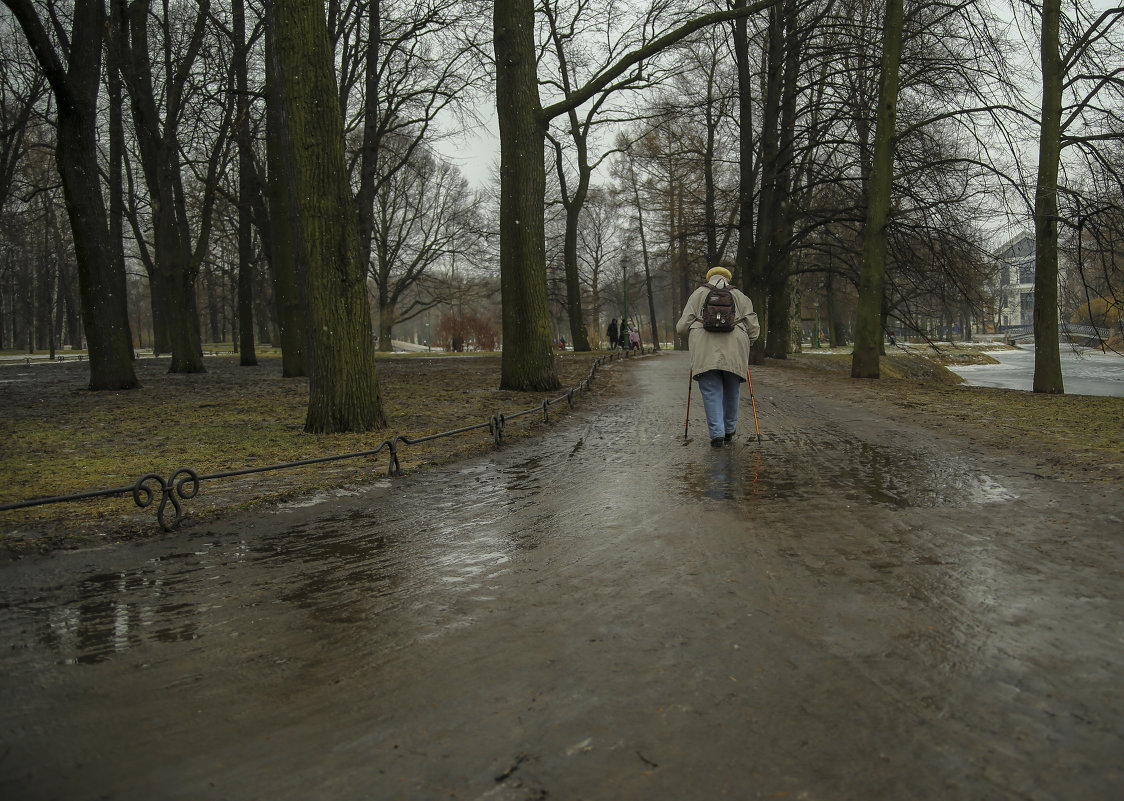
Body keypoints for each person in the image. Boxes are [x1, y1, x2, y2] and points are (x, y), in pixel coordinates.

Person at [676, 265, 760, 447]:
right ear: (727, 278)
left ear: (709, 278)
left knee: (711, 391)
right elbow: (753, 327)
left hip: (705, 348)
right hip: (735, 347)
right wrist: (748, 343)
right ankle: (729, 430)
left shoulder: (698, 294)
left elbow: (682, 327)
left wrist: (690, 338)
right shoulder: (739, 296)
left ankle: (717, 434)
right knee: (732, 389)